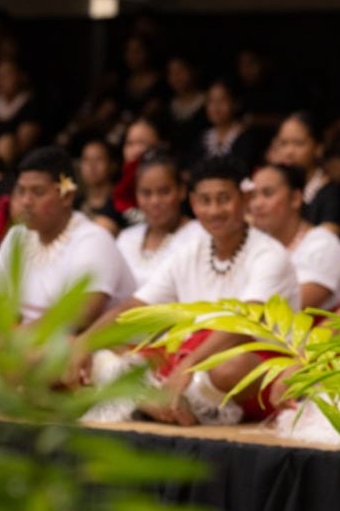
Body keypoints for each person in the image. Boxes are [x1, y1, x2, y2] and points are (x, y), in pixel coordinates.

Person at [79, 155, 299, 425]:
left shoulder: (269, 254)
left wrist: (187, 366)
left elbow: (244, 325)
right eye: (205, 201)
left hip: (249, 367)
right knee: (103, 354)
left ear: (244, 199)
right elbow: (135, 306)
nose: (215, 210)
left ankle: (160, 402)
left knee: (230, 368)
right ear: (193, 203)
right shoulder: (189, 251)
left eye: (224, 199)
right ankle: (168, 405)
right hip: (190, 361)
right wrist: (83, 343)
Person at [0, 147, 135, 330]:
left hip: (86, 347)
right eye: (21, 191)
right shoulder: (17, 236)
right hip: (25, 343)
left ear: (67, 196)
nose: (26, 201)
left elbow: (83, 313)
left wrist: (16, 338)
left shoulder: (93, 239)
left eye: (37, 192)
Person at [248, 164, 340, 311]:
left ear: (295, 198)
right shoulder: (256, 245)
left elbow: (290, 310)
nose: (257, 204)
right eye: (253, 196)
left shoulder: (322, 244)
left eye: (268, 194)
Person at [114, 152, 198, 289]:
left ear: (181, 191)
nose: (155, 201)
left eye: (164, 192)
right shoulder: (126, 239)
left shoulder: (199, 236)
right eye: (146, 193)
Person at [266, 112, 340, 235]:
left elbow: (329, 235)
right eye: (283, 143)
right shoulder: (270, 190)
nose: (289, 152)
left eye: (298, 143)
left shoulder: (330, 193)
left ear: (318, 148)